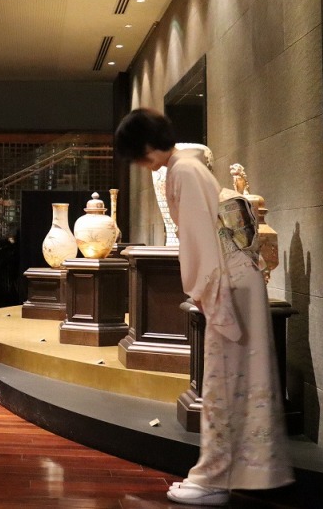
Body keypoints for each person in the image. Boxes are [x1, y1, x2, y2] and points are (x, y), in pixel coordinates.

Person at [114, 108, 293, 506]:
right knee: (233, 380)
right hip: (235, 277)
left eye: (136, 155)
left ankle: (215, 478)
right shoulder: (187, 166)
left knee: (223, 381)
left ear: (146, 146)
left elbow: (197, 238)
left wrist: (201, 289)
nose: (140, 164)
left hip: (227, 280)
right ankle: (227, 473)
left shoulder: (182, 170)